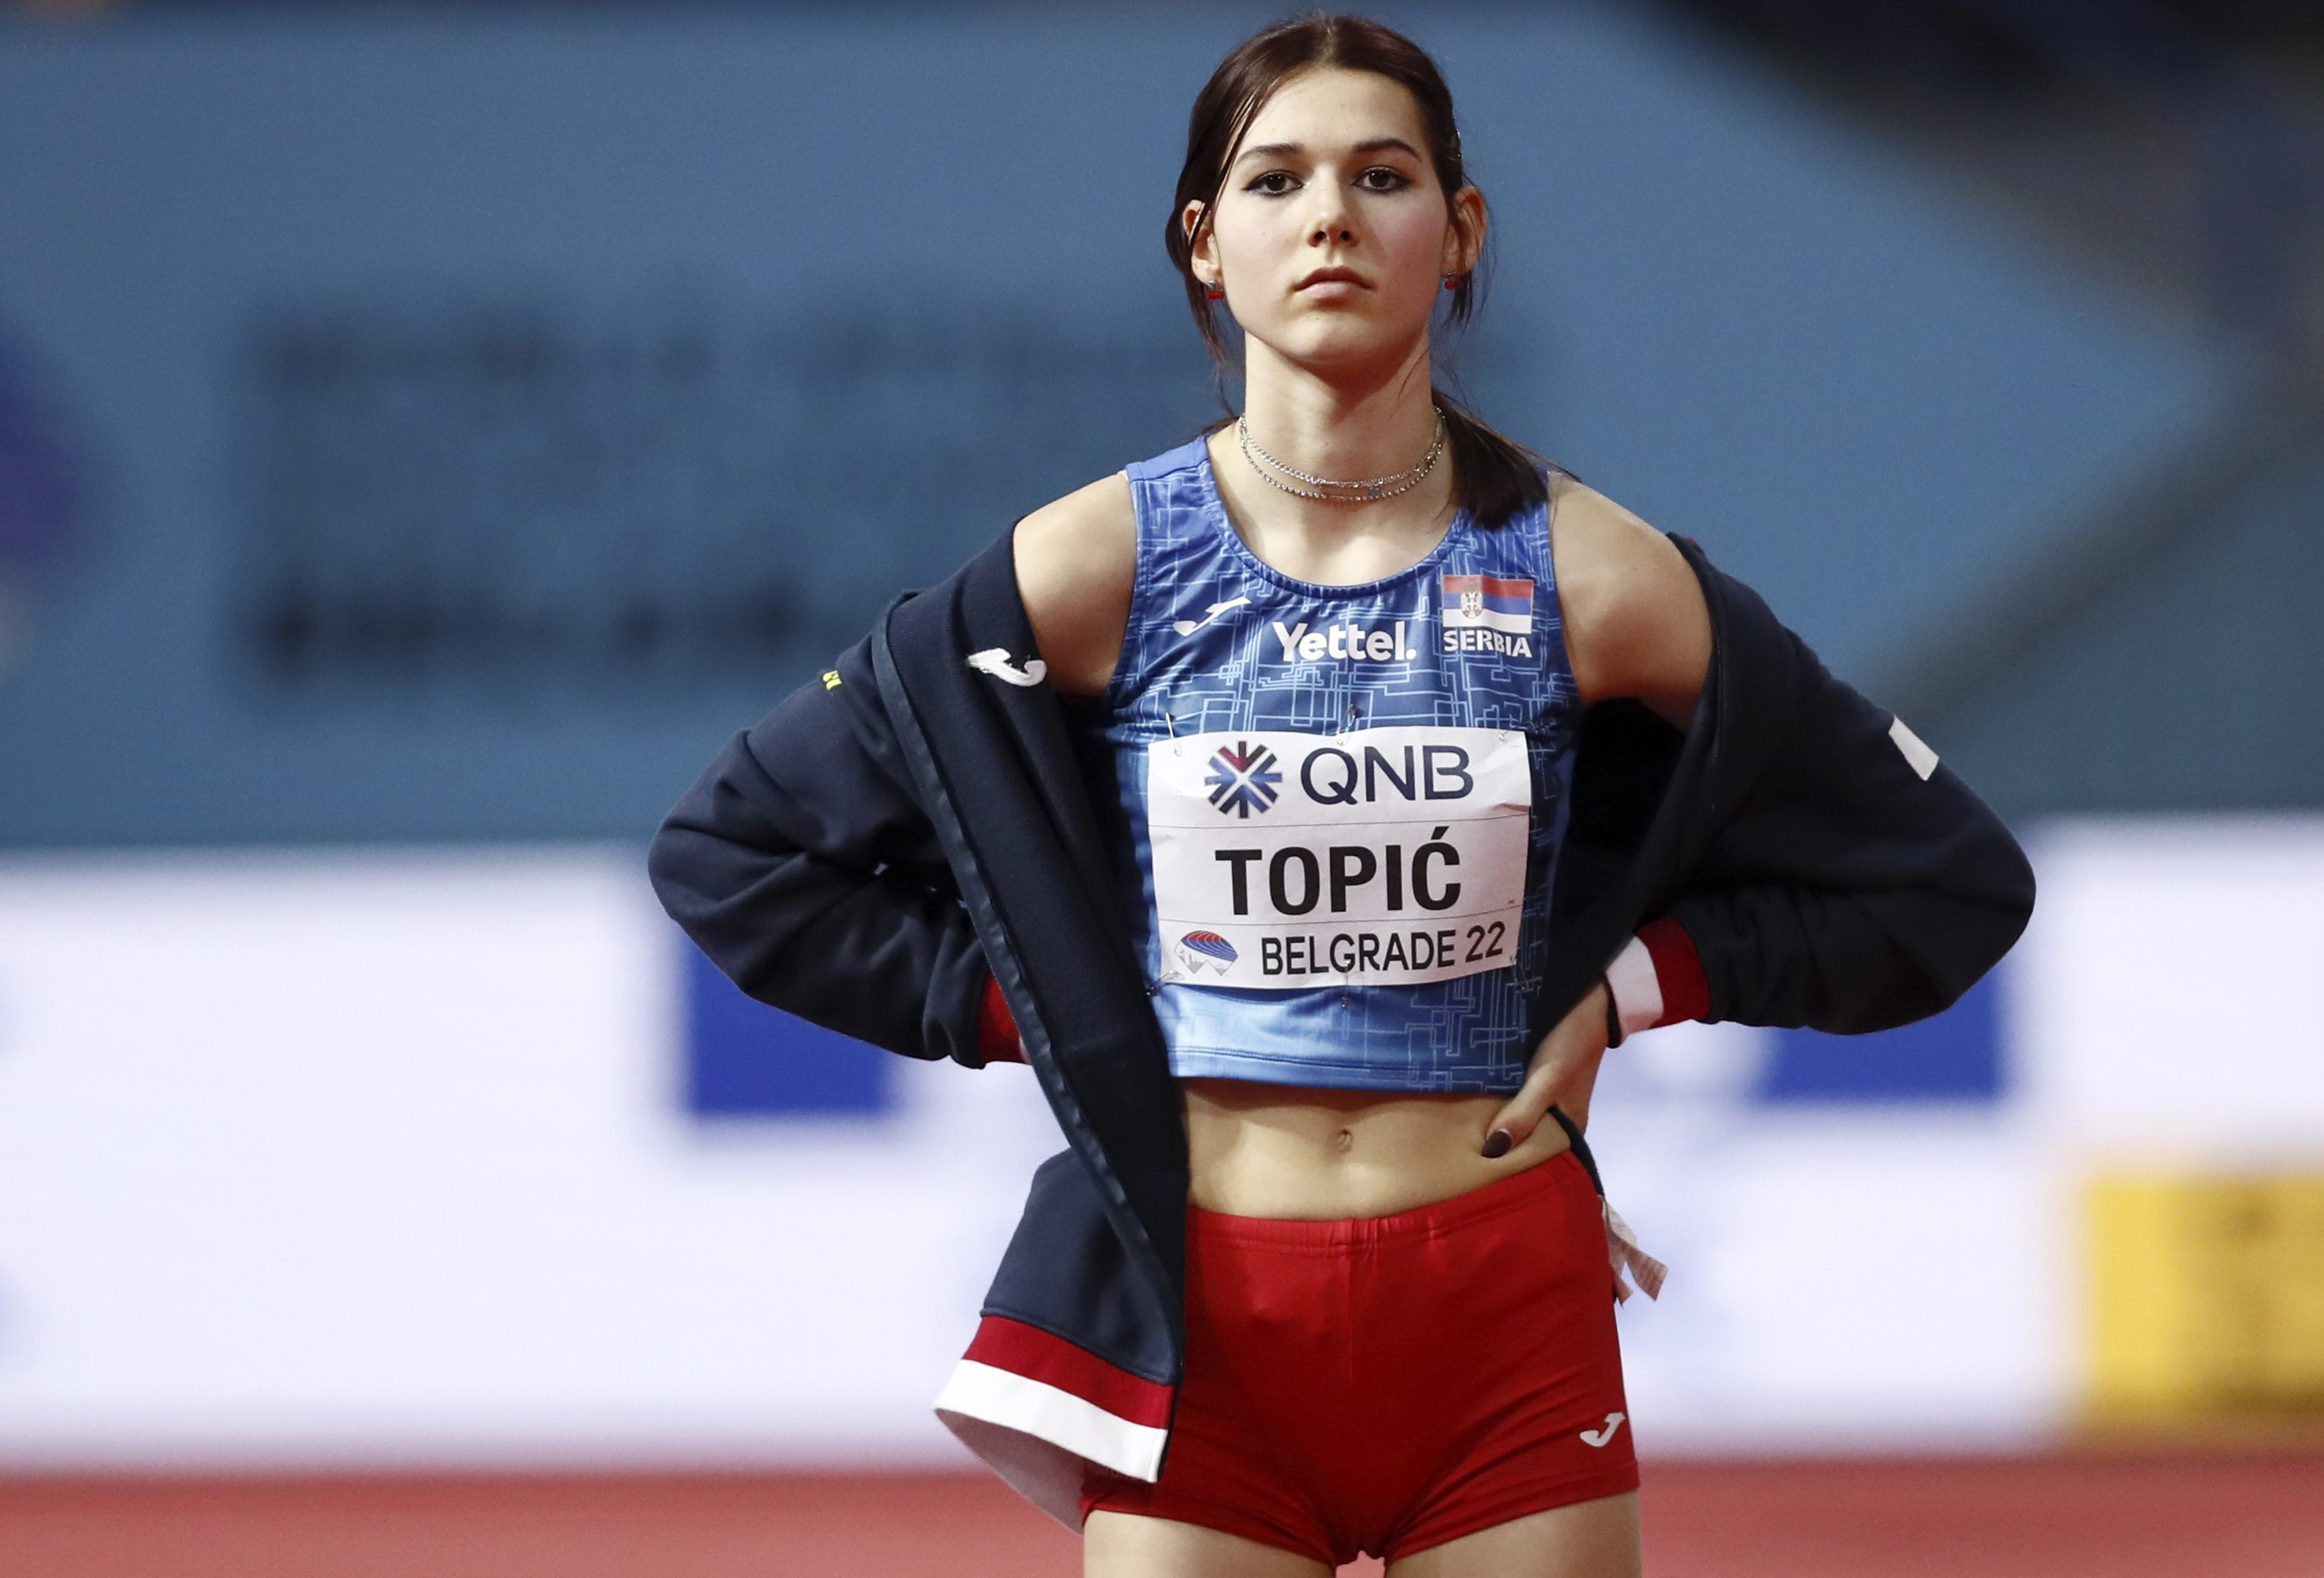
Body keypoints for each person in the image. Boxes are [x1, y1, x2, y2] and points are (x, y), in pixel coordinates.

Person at [649, 15, 2034, 1577]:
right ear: (1203, 241)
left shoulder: (1596, 575)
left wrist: (1630, 990)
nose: (1328, 218)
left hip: (1504, 1315)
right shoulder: (1092, 567)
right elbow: (733, 853)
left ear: (1461, 231)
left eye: (1381, 177)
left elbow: (1947, 882)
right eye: (1275, 180)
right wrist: (1048, 1008)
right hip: (1203, 1330)